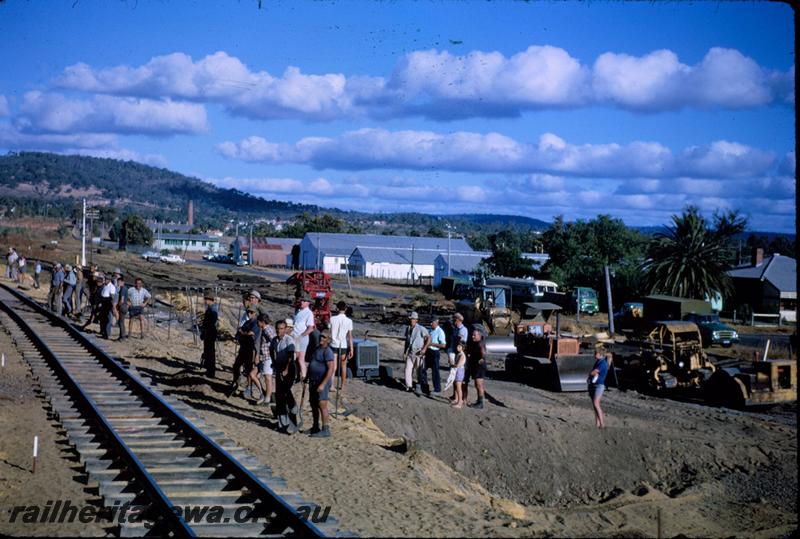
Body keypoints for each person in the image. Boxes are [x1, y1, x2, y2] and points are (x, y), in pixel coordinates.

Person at [271, 319, 297, 433]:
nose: (279, 331)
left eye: (281, 329)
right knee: (279, 395)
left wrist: (286, 369)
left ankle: (293, 407)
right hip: (279, 367)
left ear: (285, 329)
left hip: (289, 368)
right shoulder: (274, 340)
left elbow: (291, 356)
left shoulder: (288, 340)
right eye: (277, 329)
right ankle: (282, 421)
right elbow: (271, 351)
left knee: (285, 391)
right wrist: (274, 364)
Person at [307, 333, 336, 438]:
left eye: (324, 337)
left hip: (321, 381)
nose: (321, 338)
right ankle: (315, 426)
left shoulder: (328, 352)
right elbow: (312, 363)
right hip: (313, 380)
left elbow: (331, 369)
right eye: (321, 336)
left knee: (322, 405)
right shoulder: (317, 349)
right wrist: (307, 377)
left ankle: (325, 429)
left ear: (328, 339)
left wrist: (323, 384)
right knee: (313, 404)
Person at [229, 306, 259, 397]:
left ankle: (249, 389)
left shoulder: (256, 323)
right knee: (236, 365)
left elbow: (251, 333)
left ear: (255, 313)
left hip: (251, 349)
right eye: (248, 312)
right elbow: (239, 333)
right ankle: (235, 382)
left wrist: (242, 333)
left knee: (249, 370)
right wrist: (239, 335)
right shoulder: (246, 322)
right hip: (243, 348)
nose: (249, 314)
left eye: (252, 312)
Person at [403, 312, 430, 394]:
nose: (411, 320)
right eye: (411, 319)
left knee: (419, 371)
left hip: (418, 352)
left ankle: (420, 386)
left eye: (413, 319)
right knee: (407, 369)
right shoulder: (408, 328)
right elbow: (407, 341)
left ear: (416, 320)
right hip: (410, 352)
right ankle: (409, 386)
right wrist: (405, 352)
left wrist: (424, 348)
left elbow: (429, 338)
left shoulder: (421, 328)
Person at [329, 301, 353, 389]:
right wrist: (351, 349)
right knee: (343, 366)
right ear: (345, 309)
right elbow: (350, 337)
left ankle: (331, 385)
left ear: (337, 308)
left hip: (333, 344)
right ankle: (342, 385)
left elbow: (329, 331)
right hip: (343, 345)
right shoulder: (349, 321)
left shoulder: (332, 319)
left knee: (333, 366)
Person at [420, 317, 446, 395]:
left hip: (435, 352)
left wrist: (432, 344)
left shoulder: (440, 331)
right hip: (428, 352)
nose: (430, 324)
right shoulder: (430, 330)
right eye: (430, 322)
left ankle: (437, 389)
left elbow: (443, 345)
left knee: (435, 371)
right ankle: (425, 387)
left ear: (436, 322)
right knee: (423, 369)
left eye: (432, 322)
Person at [292, 297, 316, 381]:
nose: (302, 302)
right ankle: (298, 376)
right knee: (296, 358)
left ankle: (304, 377)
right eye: (301, 300)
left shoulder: (309, 313)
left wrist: (301, 336)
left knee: (300, 359)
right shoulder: (298, 311)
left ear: (308, 303)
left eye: (304, 301)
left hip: (301, 338)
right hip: (295, 338)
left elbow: (311, 328)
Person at [446, 313, 469, 400]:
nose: (454, 322)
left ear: (458, 320)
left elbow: (459, 342)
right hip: (454, 352)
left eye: (454, 320)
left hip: (458, 354)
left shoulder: (463, 330)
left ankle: (460, 397)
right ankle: (455, 395)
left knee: (458, 376)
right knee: (454, 375)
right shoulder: (456, 329)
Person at [464, 328, 488, 409]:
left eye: (474, 335)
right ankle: (479, 401)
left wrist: (481, 359)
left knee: (479, 384)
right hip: (476, 366)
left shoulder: (480, 343)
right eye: (472, 335)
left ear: (479, 336)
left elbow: (483, 353)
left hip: (480, 367)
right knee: (477, 384)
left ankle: (480, 403)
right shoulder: (475, 343)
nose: (472, 336)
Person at [588, 344, 610, 429]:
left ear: (600, 354)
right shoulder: (599, 361)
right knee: (595, 405)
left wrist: (590, 374)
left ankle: (602, 424)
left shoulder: (602, 363)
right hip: (595, 384)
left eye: (595, 353)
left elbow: (594, 372)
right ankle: (597, 424)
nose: (594, 354)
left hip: (599, 385)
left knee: (596, 403)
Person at [256, 314, 276, 405]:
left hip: (268, 356)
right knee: (264, 377)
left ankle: (268, 398)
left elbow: (274, 341)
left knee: (268, 378)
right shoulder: (265, 329)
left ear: (262, 322)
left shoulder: (267, 330)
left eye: (258, 321)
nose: (257, 323)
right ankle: (267, 396)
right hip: (265, 356)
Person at [200, 291, 218, 377]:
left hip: (210, 332)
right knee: (208, 351)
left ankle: (211, 372)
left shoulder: (213, 309)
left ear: (209, 299)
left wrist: (206, 330)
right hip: (208, 332)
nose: (204, 301)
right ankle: (208, 370)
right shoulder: (210, 308)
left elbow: (211, 322)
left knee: (210, 352)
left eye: (205, 299)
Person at [98, 274, 116, 339]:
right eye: (105, 279)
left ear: (109, 280)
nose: (104, 280)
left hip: (107, 303)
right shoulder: (105, 286)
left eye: (106, 279)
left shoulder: (112, 287)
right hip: (103, 302)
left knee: (107, 319)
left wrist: (112, 306)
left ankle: (107, 333)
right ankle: (103, 332)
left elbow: (112, 297)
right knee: (103, 318)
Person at [451, 341, 467, 409]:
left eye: (459, 347)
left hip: (459, 371)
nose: (457, 348)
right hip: (457, 371)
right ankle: (456, 399)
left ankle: (460, 402)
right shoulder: (459, 354)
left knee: (458, 387)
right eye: (457, 346)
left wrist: (452, 364)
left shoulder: (462, 355)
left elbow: (458, 365)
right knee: (455, 385)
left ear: (463, 348)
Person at [114, 275, 128, 340]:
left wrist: (117, 306)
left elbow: (121, 300)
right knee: (121, 321)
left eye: (119, 282)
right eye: (117, 282)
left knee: (121, 322)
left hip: (122, 306)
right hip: (124, 306)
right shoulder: (125, 288)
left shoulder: (123, 289)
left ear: (122, 282)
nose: (118, 283)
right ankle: (121, 336)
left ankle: (122, 336)